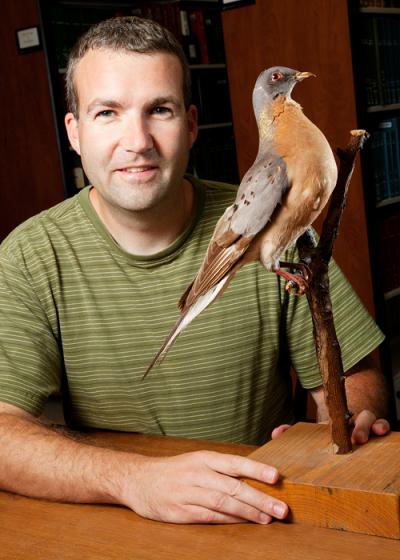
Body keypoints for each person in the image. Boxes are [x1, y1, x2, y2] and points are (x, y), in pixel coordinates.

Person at [0, 16, 390, 525]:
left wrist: (342, 424)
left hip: (265, 508)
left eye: (158, 110)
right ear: (74, 133)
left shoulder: (282, 214)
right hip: (119, 523)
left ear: (190, 125)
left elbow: (359, 375)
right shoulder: (29, 256)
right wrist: (132, 480)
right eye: (107, 113)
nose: (137, 140)